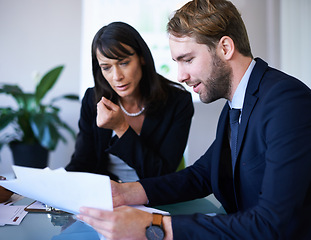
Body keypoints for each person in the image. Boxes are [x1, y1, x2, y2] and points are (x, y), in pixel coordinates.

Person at [77, 0, 311, 239]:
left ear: (226, 48)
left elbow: (272, 223)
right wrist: (126, 193)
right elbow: (201, 175)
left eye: (187, 60)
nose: (181, 76)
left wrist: (155, 226)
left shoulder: (287, 101)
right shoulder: (236, 106)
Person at [65, 22, 194, 183]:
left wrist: (121, 128)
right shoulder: (93, 99)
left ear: (142, 58)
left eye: (124, 63)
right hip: (108, 198)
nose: (116, 76)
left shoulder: (178, 101)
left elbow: (161, 174)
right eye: (106, 67)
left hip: (155, 199)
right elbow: (81, 164)